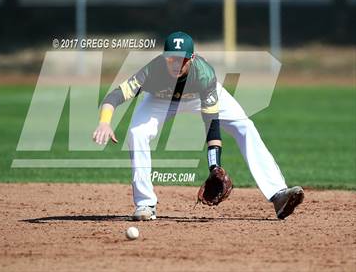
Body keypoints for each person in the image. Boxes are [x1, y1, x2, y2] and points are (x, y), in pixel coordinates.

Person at [92, 31, 304, 221]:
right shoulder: (152, 71)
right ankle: (145, 204)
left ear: (191, 58)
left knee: (245, 127)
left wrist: (214, 167)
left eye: (182, 59)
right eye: (171, 59)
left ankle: (278, 194)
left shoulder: (204, 75)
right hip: (159, 100)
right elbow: (115, 95)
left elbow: (212, 126)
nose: (176, 64)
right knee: (136, 133)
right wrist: (104, 122)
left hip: (198, 96)